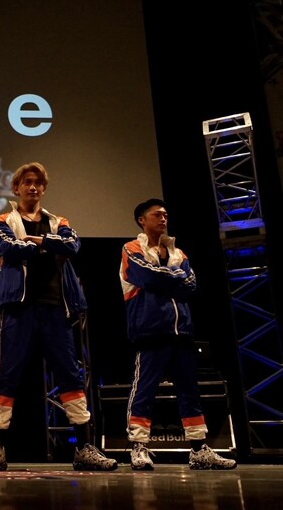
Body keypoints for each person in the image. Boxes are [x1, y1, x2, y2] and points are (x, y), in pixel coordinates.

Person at [0, 162, 117, 472]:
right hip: (18, 308)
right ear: (16, 188)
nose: (33, 187)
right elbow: (4, 246)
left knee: (70, 375)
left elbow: (73, 245)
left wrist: (39, 242)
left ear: (44, 189)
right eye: (27, 182)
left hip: (55, 308)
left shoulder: (58, 221)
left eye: (38, 183)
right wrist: (46, 248)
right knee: (7, 376)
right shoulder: (4, 220)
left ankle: (84, 447)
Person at [120, 198, 237, 471]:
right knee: (144, 390)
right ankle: (138, 447)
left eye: (165, 214)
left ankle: (198, 449)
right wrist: (173, 277)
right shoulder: (132, 248)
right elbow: (147, 277)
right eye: (157, 214)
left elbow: (191, 285)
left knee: (189, 392)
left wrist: (166, 278)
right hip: (150, 331)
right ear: (142, 220)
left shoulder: (178, 253)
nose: (163, 218)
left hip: (182, 332)